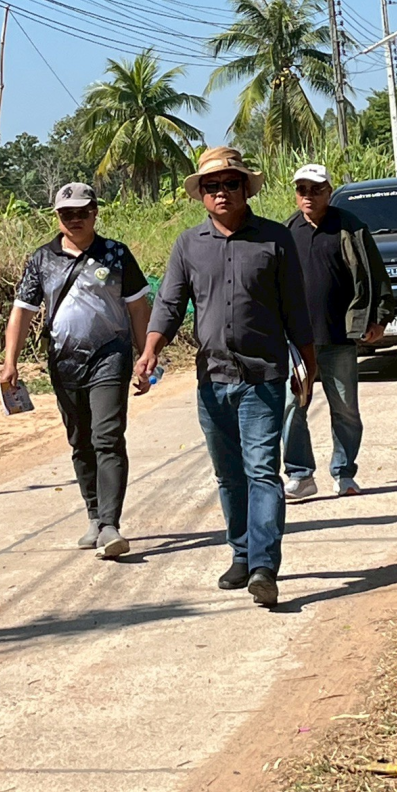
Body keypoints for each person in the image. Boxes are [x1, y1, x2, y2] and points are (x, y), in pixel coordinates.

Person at [135, 146, 315, 607]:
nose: (221, 193)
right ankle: (240, 553)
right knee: (229, 475)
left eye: (229, 184)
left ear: (244, 188)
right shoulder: (188, 244)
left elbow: (296, 307)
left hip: (265, 376)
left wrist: (309, 366)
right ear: (202, 195)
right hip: (212, 378)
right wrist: (150, 350)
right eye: (211, 186)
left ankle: (263, 566)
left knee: (262, 472)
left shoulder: (275, 239)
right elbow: (170, 304)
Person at [0, 183, 152, 559]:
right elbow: (22, 311)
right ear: (57, 217)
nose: (75, 219)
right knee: (80, 440)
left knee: (108, 437)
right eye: (67, 213)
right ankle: (94, 515)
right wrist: (10, 361)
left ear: (95, 212)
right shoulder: (41, 260)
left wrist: (145, 355)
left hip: (110, 357)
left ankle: (111, 525)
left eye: (82, 212)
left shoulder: (116, 254)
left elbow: (137, 308)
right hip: (64, 362)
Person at [282, 163, 393, 501]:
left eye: (316, 189)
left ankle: (344, 473)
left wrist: (379, 317)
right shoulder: (285, 232)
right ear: (296, 195)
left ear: (329, 191)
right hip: (297, 342)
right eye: (302, 190)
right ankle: (300, 475)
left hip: (339, 338)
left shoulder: (350, 228)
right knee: (291, 406)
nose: (309, 196)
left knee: (345, 409)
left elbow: (375, 275)